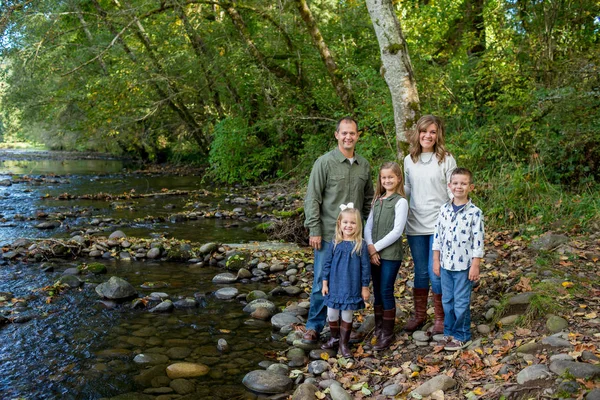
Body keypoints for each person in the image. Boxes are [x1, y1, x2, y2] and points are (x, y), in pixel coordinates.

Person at [302, 117, 374, 345]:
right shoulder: (324, 163)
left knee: (351, 282)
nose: (348, 137)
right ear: (336, 135)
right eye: (344, 133)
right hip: (328, 235)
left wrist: (366, 229)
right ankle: (314, 326)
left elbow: (369, 199)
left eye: (352, 133)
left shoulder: (364, 165)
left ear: (358, 135)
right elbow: (312, 198)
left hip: (354, 238)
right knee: (321, 282)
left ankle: (344, 329)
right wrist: (314, 228)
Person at [403, 115, 457, 335]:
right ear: (418, 133)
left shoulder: (446, 159)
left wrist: (453, 221)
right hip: (415, 223)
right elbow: (406, 189)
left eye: (433, 132)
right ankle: (419, 315)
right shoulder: (409, 159)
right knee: (420, 272)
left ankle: (441, 318)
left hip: (439, 225)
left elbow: (452, 191)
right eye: (424, 131)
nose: (428, 136)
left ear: (438, 135)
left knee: (435, 271)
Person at [432, 167, 484, 350]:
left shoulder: (475, 213)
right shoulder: (444, 209)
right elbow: (437, 236)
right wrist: (436, 260)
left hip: (464, 266)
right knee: (447, 300)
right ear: (449, 186)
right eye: (455, 183)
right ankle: (449, 332)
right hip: (446, 264)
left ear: (471, 187)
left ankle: (462, 335)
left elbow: (478, 241)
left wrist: (475, 265)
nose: (459, 187)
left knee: (461, 301)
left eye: (463, 183)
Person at [363, 162, 408, 350]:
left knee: (386, 289)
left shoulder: (401, 202)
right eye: (384, 177)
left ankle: (388, 333)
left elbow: (397, 231)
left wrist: (375, 249)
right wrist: (370, 246)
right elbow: (368, 226)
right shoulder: (377, 200)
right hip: (374, 252)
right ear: (380, 180)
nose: (387, 180)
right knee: (378, 291)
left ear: (398, 178)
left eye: (391, 177)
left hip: (390, 254)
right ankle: (379, 327)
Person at [320, 205, 371, 357]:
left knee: (347, 314)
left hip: (351, 286)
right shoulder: (335, 243)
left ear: (358, 225)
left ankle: (344, 343)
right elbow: (327, 264)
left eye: (353, 223)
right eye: (346, 222)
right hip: (335, 285)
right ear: (339, 224)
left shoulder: (360, 244)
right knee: (332, 313)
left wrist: (364, 287)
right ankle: (335, 338)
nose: (349, 226)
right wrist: (324, 283)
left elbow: (365, 268)